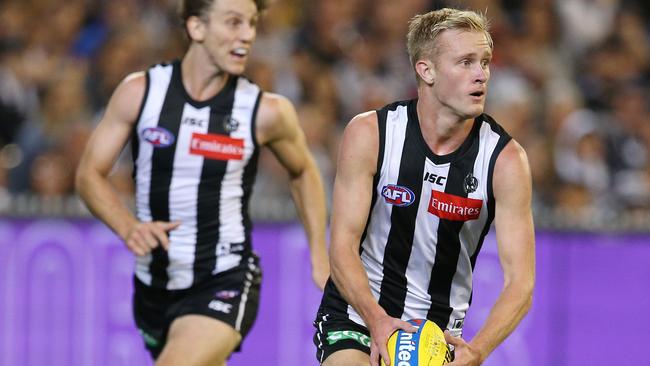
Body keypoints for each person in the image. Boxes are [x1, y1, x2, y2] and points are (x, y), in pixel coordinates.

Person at [75, 0, 330, 365]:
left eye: (252, 24)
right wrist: (127, 226)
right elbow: (89, 173)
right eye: (233, 23)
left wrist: (318, 255)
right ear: (196, 28)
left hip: (224, 277)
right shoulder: (140, 92)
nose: (247, 36)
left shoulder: (265, 111)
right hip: (154, 287)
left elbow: (304, 171)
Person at [313, 8, 535, 366]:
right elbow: (341, 248)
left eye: (485, 62)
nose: (481, 75)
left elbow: (520, 284)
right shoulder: (371, 134)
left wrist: (478, 350)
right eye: (465, 62)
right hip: (358, 316)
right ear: (426, 70)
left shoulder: (506, 161)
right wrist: (377, 318)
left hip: (434, 338)